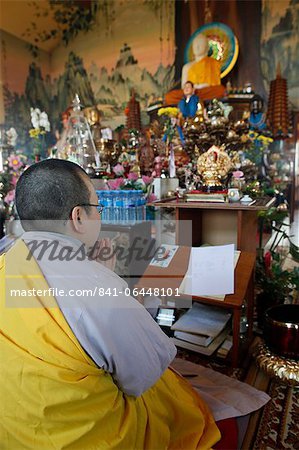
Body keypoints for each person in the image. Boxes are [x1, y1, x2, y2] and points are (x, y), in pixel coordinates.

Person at [0, 159, 220, 449]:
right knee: (169, 391)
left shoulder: (7, 263)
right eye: (97, 208)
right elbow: (143, 374)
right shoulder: (98, 285)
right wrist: (106, 280)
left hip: (13, 431)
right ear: (78, 217)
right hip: (87, 438)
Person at [165, 33, 225, 105]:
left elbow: (216, 84)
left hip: (206, 92)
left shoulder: (214, 63)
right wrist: (194, 88)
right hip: (190, 92)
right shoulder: (187, 67)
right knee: (169, 96)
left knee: (221, 90)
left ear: (207, 47)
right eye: (195, 43)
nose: (197, 46)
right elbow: (184, 88)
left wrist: (204, 86)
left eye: (200, 43)